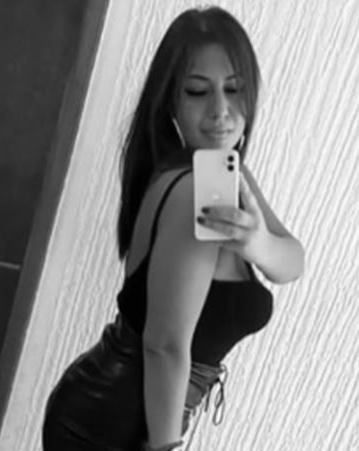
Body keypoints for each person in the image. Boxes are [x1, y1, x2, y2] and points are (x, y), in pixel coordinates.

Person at [42, 6, 304, 451]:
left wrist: (257, 244)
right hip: (107, 428)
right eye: (198, 91)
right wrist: (165, 447)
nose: (221, 110)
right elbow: (164, 345)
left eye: (234, 89)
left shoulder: (222, 173)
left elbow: (292, 262)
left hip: (122, 414)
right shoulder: (196, 187)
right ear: (171, 104)